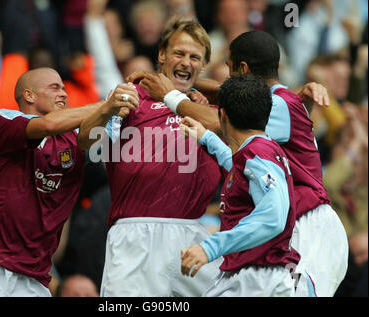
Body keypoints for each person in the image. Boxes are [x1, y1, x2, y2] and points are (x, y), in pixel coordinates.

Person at [127, 30, 348, 297]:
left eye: (230, 69)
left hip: (308, 225)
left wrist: (171, 96)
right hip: (291, 222)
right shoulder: (275, 105)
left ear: (242, 69)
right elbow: (227, 97)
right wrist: (180, 88)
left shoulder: (279, 106)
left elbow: (221, 119)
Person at [0, 67, 138, 297]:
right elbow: (48, 125)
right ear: (29, 95)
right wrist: (105, 104)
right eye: (55, 88)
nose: (63, 94)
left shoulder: (75, 141)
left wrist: (118, 106)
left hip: (33, 280)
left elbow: (95, 135)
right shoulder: (4, 121)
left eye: (65, 89)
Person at [77, 18, 223, 297]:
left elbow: (237, 118)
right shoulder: (131, 97)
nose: (186, 62)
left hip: (191, 235)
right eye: (179, 53)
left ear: (203, 66)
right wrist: (107, 110)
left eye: (195, 57)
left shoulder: (207, 109)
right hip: (135, 235)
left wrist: (185, 93)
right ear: (162, 55)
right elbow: (87, 143)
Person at [179, 74, 301, 296]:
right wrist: (207, 137)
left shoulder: (258, 154)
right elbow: (240, 169)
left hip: (260, 279)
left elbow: (273, 216)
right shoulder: (260, 150)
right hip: (264, 274)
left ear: (222, 115)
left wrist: (209, 247)